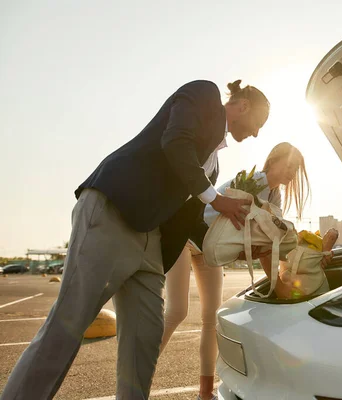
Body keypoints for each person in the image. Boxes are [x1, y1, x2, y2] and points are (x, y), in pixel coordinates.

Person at [0, 79, 270, 400]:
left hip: (150, 240)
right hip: (113, 212)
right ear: (242, 106)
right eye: (259, 124)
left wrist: (243, 243)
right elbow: (176, 141)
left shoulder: (212, 167)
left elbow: (192, 225)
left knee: (144, 338)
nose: (256, 134)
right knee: (68, 324)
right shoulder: (204, 94)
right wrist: (217, 199)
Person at [159, 142, 309, 400]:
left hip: (210, 249)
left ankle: (205, 394)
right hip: (187, 238)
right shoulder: (255, 182)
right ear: (273, 161)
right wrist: (277, 284)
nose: (291, 173)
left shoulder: (275, 196)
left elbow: (268, 244)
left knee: (211, 318)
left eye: (295, 170)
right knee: (177, 312)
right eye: (289, 166)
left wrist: (281, 281)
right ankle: (137, 381)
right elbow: (261, 244)